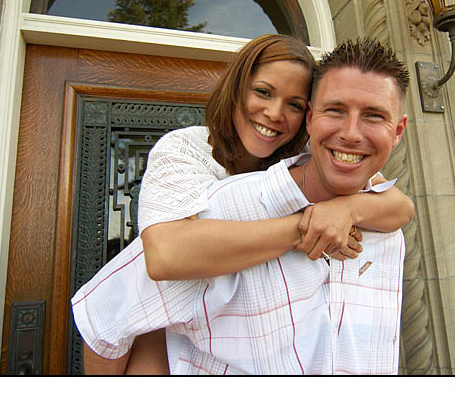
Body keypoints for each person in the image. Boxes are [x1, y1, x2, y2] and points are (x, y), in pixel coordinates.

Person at [72, 36, 414, 374]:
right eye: (263, 92)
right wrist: (306, 227)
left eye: (294, 104)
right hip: (169, 323)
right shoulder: (188, 152)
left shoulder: (314, 163)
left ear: (306, 116)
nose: (275, 113)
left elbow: (400, 206)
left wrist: (348, 210)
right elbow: (164, 255)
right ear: (236, 89)